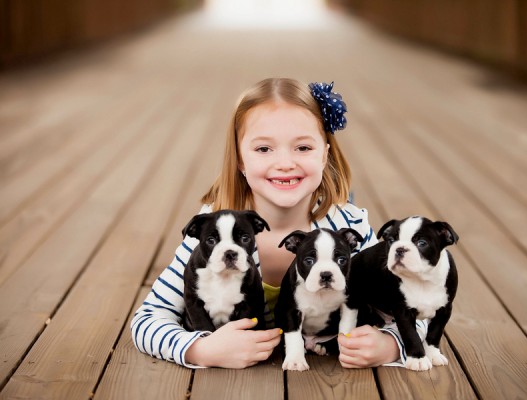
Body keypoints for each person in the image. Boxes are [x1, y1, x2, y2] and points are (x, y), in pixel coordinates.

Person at [131, 78, 427, 369]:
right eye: (264, 149)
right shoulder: (214, 229)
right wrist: (200, 349)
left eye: (302, 148)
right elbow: (147, 321)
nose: (285, 162)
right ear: (239, 160)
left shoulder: (348, 224)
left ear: (325, 154)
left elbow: (417, 309)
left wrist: (391, 345)